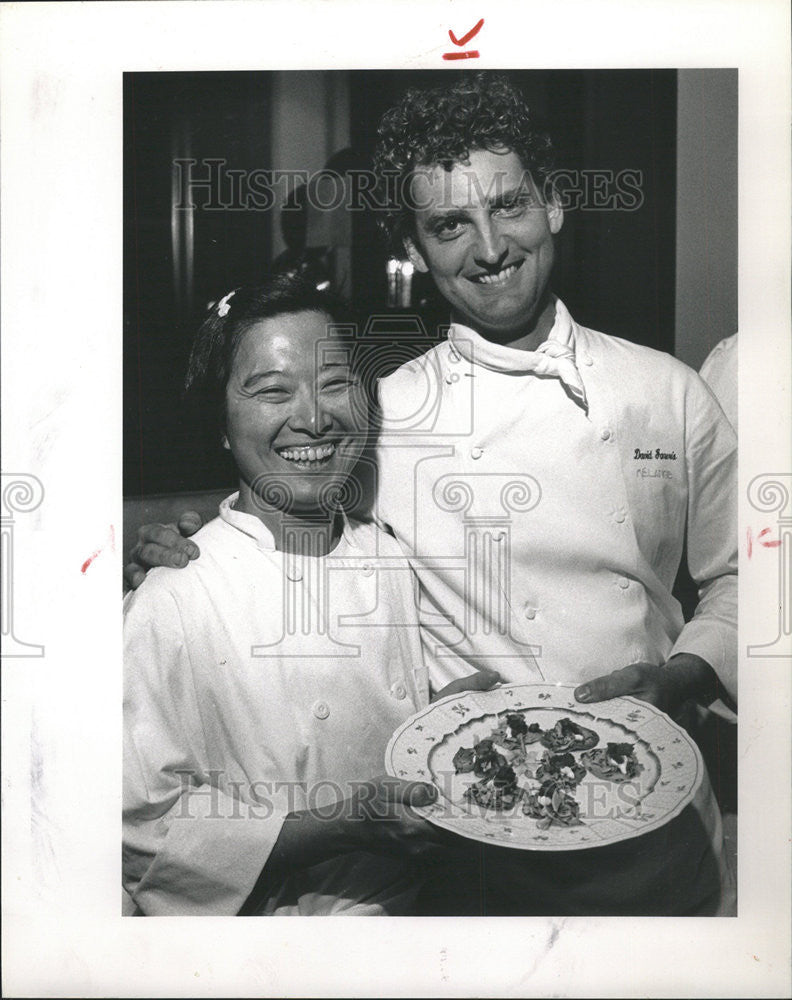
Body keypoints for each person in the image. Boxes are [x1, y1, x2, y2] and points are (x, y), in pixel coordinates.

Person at [128, 74, 737, 915]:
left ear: (555, 205)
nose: (489, 248)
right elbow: (295, 513)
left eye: (510, 205)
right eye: (450, 224)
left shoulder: (667, 392)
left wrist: (684, 673)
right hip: (469, 854)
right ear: (415, 249)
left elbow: (750, 578)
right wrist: (175, 549)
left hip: (655, 824)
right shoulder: (384, 411)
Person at [123, 274, 489, 916]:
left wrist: (460, 720)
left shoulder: (393, 554)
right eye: (272, 392)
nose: (315, 419)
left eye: (335, 384)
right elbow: (138, 827)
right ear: (221, 424)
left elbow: (399, 717)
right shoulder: (175, 595)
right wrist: (341, 825)